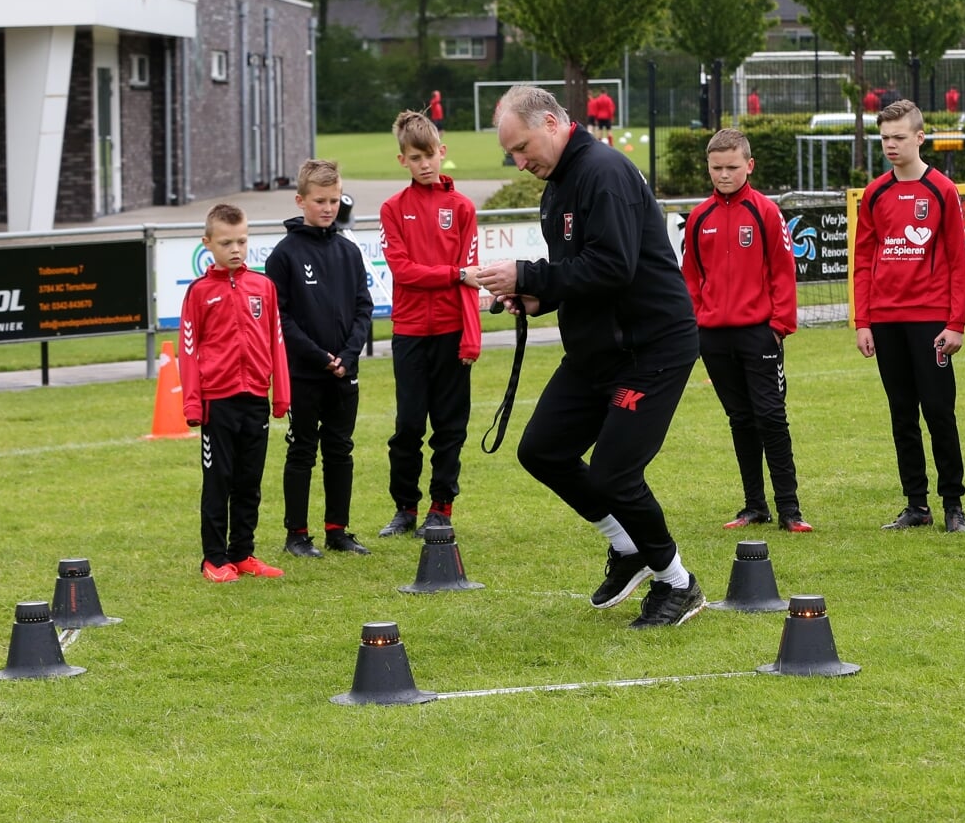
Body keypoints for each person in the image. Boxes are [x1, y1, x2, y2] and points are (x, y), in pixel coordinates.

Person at [468, 85, 706, 627]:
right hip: (597, 350)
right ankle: (627, 549)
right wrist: (535, 295)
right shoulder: (558, 184)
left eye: (523, 147)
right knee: (542, 451)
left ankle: (678, 583)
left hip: (652, 347)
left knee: (615, 473)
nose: (520, 161)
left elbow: (613, 269)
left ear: (552, 122)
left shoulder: (604, 172)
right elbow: (578, 273)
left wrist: (528, 274)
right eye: (512, 154)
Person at [682, 128, 809, 533]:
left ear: (749, 166)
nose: (724, 175)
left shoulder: (766, 212)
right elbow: (690, 279)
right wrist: (698, 322)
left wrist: (778, 326)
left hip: (760, 334)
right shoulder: (699, 218)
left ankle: (790, 509)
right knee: (740, 418)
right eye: (717, 168)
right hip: (714, 337)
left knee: (771, 417)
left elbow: (783, 272)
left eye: (732, 167)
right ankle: (755, 506)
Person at [853, 99, 965, 533]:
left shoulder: (942, 190)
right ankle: (916, 505)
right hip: (885, 321)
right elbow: (863, 259)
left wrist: (955, 322)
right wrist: (862, 321)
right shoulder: (875, 192)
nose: (890, 145)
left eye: (899, 137)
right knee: (901, 412)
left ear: (920, 138)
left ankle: (953, 504)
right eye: (884, 138)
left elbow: (958, 261)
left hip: (930, 320)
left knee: (939, 411)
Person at [377, 111, 481, 537]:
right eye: (415, 157)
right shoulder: (393, 209)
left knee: (450, 427)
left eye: (430, 155)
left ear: (443, 153)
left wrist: (471, 335)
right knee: (408, 426)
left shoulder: (462, 208)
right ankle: (405, 508)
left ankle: (441, 507)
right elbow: (403, 272)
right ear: (402, 160)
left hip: (453, 332)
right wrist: (452, 274)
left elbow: (472, 273)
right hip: (410, 333)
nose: (425, 163)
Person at [265, 158, 374, 558]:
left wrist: (347, 355)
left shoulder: (349, 251)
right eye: (320, 200)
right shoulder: (285, 255)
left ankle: (338, 530)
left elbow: (364, 308)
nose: (328, 208)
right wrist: (319, 356)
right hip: (305, 375)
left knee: (340, 448)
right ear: (301, 201)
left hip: (345, 372)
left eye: (334, 200)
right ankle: (297, 534)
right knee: (302, 450)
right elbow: (282, 317)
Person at [179, 203, 291, 583]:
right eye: (226, 242)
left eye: (242, 241)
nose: (236, 249)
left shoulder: (264, 288)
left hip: (255, 399)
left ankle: (242, 553)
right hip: (217, 403)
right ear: (207, 243)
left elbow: (277, 341)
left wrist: (281, 395)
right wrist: (193, 403)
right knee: (218, 481)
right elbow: (189, 350)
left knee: (249, 480)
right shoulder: (198, 293)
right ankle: (214, 558)